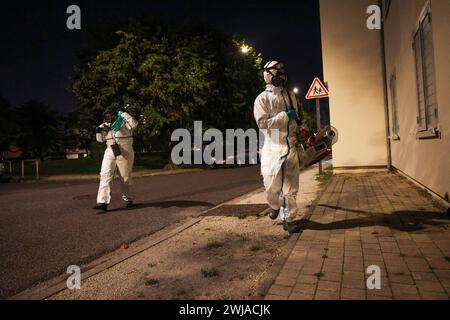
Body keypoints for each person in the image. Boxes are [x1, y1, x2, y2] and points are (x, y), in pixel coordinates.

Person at [254, 61, 302, 234]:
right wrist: (284, 116)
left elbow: (295, 119)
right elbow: (263, 124)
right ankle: (273, 205)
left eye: (282, 72)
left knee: (290, 186)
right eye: (277, 72)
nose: (281, 75)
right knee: (271, 184)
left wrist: (299, 131)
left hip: (290, 145)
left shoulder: (290, 95)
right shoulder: (262, 99)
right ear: (268, 75)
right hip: (273, 145)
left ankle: (288, 219)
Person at [94, 109, 138, 212]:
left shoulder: (124, 123)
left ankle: (129, 199)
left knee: (124, 177)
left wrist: (123, 114)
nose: (109, 119)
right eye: (107, 117)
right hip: (110, 149)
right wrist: (100, 130)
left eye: (111, 116)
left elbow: (134, 124)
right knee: (105, 174)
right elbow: (100, 140)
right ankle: (102, 202)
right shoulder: (106, 126)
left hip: (125, 150)